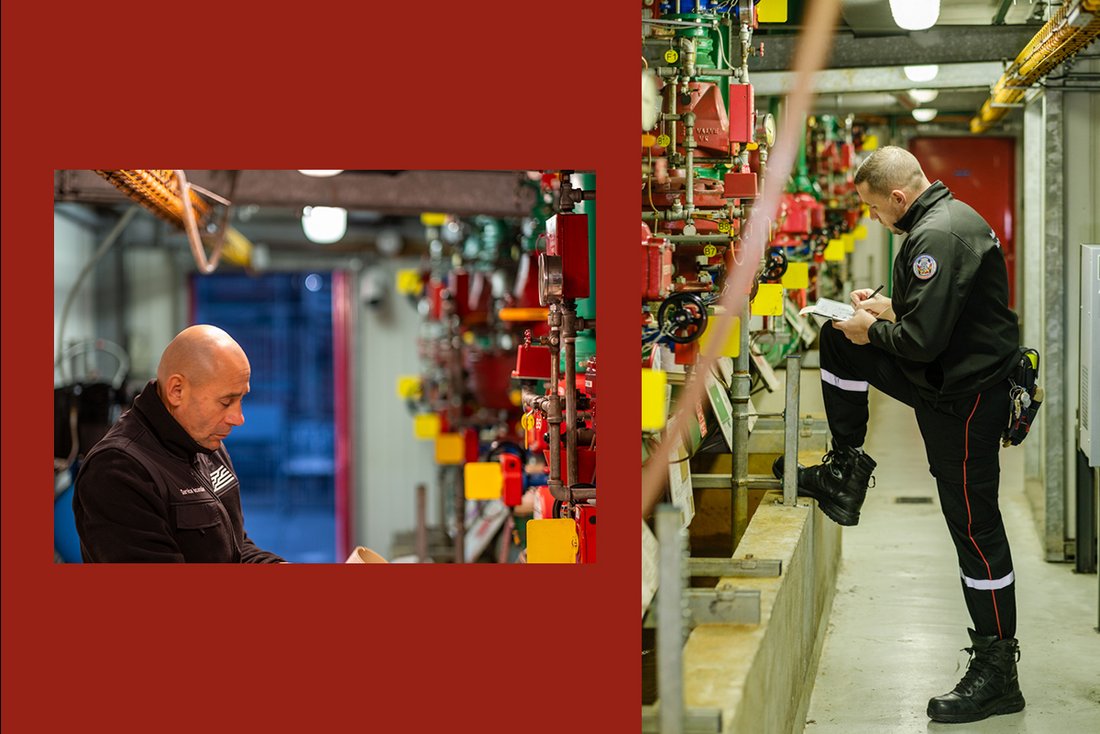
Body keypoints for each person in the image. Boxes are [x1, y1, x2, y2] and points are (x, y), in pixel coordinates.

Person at [775, 146, 1024, 723]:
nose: (872, 220)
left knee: (975, 527)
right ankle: (844, 470)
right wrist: (883, 309)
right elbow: (933, 316)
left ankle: (997, 669)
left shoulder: (937, 238)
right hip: (946, 379)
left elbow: (920, 343)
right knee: (838, 336)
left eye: (872, 209)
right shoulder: (943, 220)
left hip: (964, 399)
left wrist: (876, 330)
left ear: (898, 198)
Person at [73, 325, 285, 563]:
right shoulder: (117, 470)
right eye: (226, 402)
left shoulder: (205, 444)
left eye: (241, 398)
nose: (239, 418)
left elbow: (235, 548)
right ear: (177, 390)